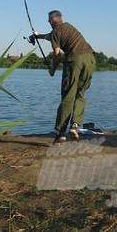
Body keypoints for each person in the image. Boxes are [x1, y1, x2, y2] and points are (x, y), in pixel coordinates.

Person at [30, 10, 95, 144]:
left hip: (74, 61)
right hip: (90, 59)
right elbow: (52, 36)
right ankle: (75, 125)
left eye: (49, 20)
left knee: (68, 96)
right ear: (61, 19)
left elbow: (58, 54)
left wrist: (52, 69)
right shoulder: (69, 26)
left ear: (52, 21)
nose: (48, 22)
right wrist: (38, 36)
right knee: (80, 94)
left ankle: (61, 134)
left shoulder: (55, 33)